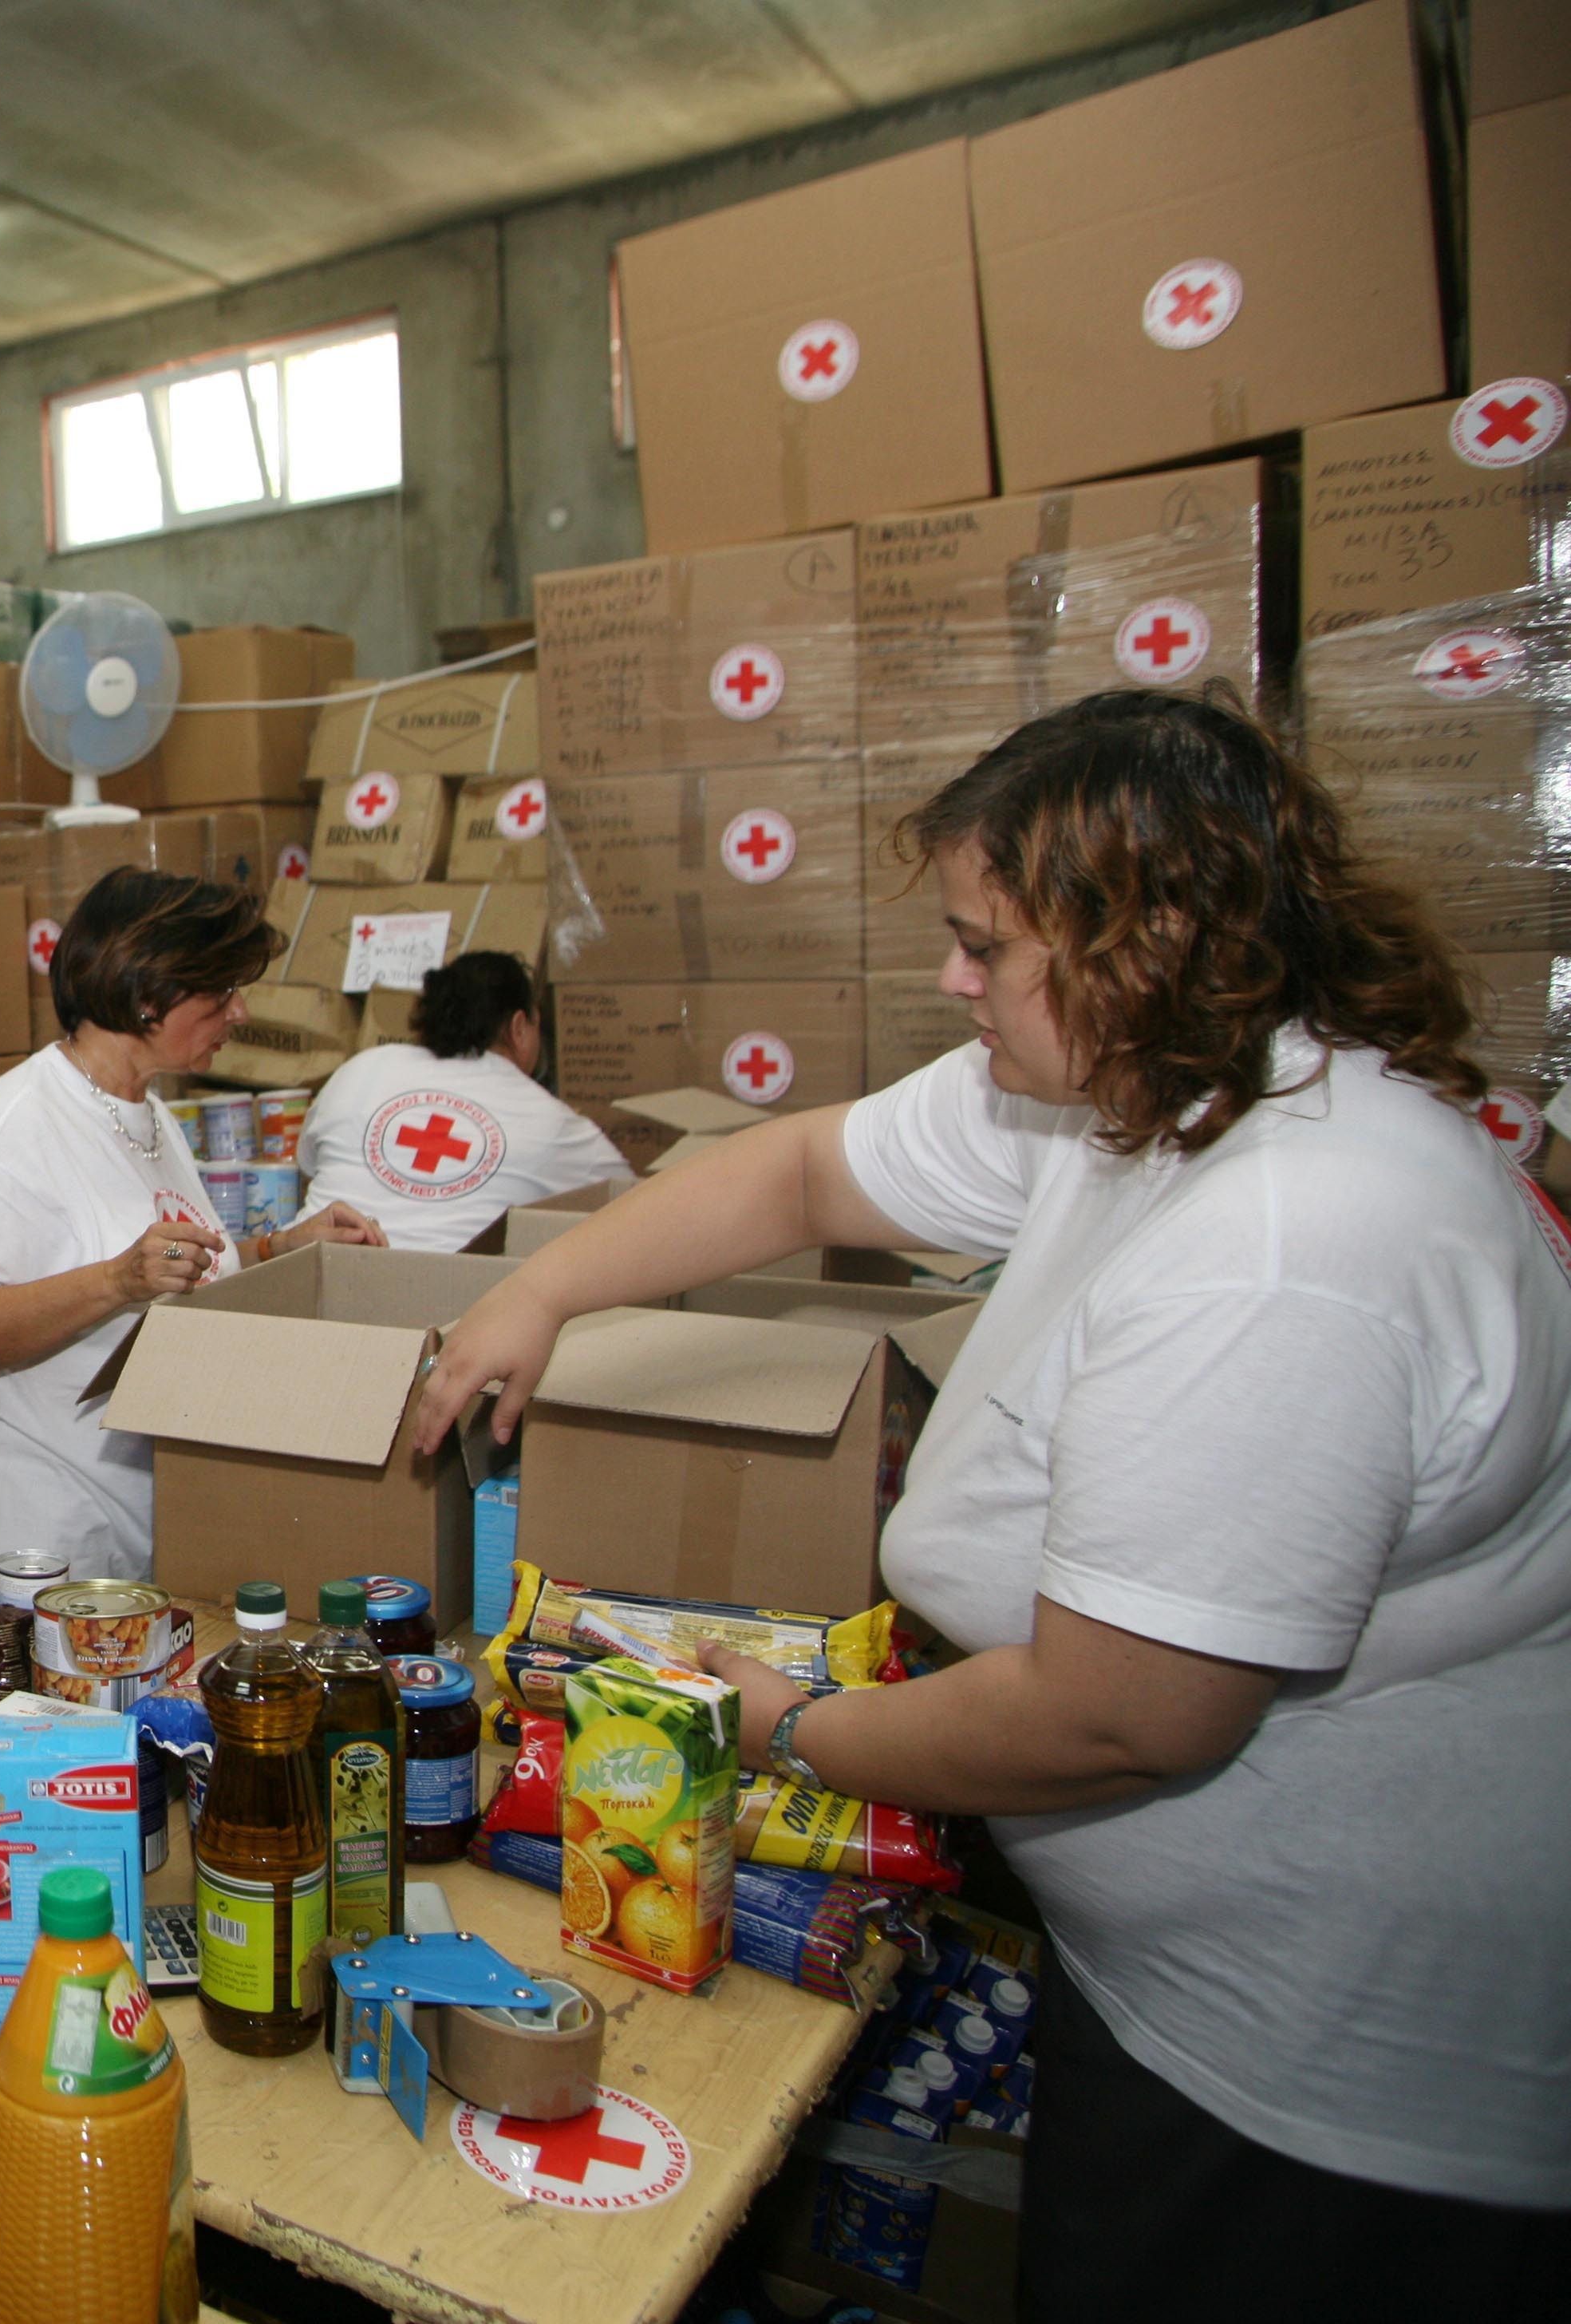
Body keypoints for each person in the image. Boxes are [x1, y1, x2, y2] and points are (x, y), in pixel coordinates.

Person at [408, 694, 1568, 2310]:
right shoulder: (1142, 1089)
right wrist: (545, 1295)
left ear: (1147, 942)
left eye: (985, 945)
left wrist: (777, 1725)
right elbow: (802, 1171)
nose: (955, 981)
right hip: (1183, 1990)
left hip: (1333, 2071)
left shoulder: (1298, 1244)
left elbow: (1127, 1716)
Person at [0, 870, 386, 1614]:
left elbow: (179, 1265)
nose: (241, 1009)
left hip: (146, 1498)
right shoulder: (15, 1126)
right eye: (222, 990)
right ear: (148, 993)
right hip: (49, 1517)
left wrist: (284, 1246)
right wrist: (115, 1281)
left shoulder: (148, 1114)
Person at [298, 949, 629, 1251]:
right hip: (449, 1299)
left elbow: (309, 1165)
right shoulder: (553, 1122)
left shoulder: (363, 1068)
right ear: (519, 1027)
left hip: (304, 1277)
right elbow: (632, 1201)